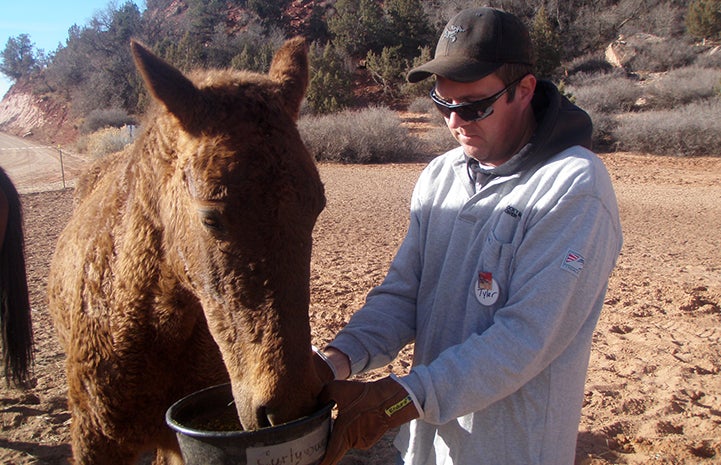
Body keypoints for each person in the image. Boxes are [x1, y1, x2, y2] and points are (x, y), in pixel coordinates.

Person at [314, 6, 623, 465]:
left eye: (475, 106)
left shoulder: (574, 187)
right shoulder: (442, 176)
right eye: (444, 105)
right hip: (428, 447)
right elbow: (404, 295)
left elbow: (526, 337)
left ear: (525, 90)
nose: (456, 122)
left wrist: (404, 398)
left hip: (511, 448)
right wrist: (334, 361)